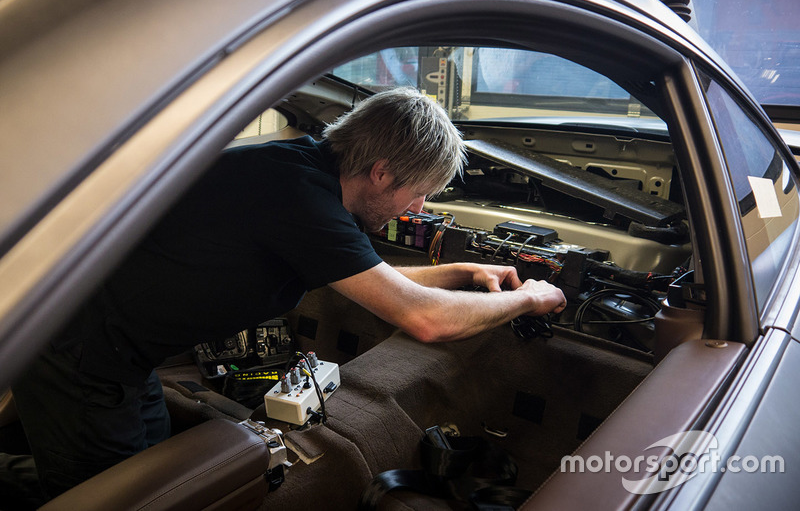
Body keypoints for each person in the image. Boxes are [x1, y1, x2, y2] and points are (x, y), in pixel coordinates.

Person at [5, 87, 566, 503]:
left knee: (154, 467)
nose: (416, 210)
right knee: (118, 496)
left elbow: (370, 279)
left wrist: (466, 272)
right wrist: (528, 299)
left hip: (124, 356)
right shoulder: (299, 198)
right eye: (417, 194)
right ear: (381, 172)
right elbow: (422, 320)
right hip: (81, 358)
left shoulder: (300, 173)